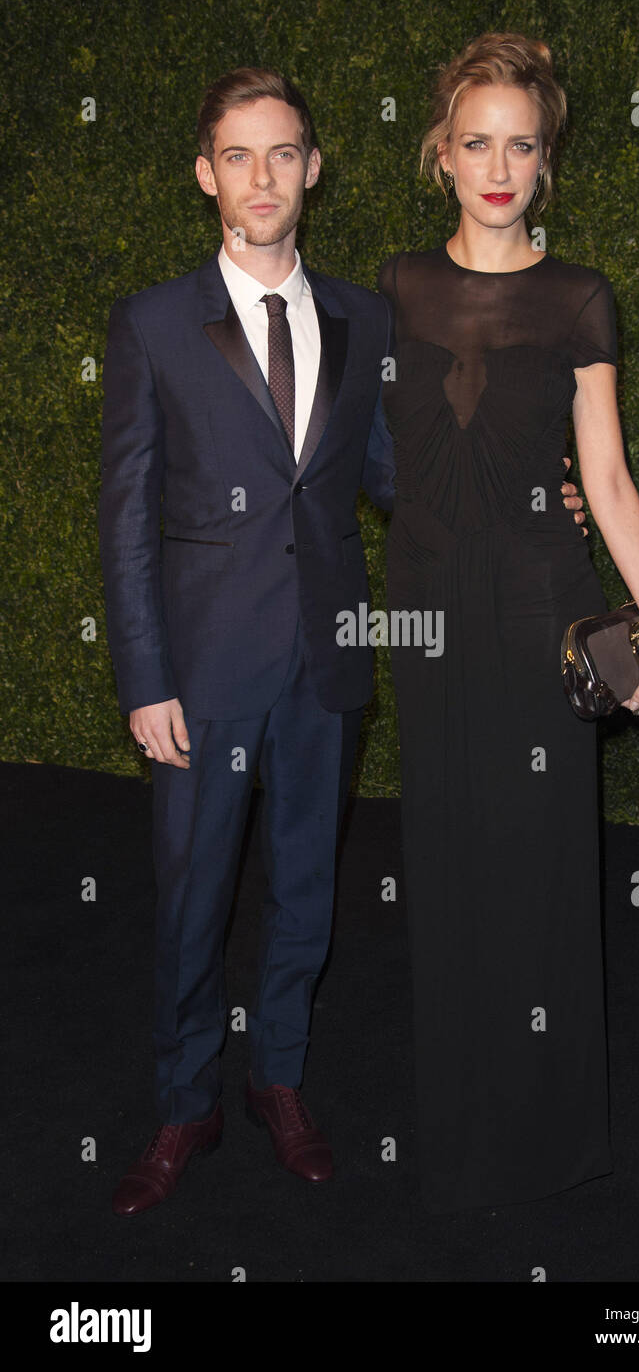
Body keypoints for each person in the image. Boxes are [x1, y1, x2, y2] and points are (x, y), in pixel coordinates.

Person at [98, 61, 601, 1217]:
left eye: (284, 154)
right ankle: (184, 1105)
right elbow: (122, 516)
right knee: (189, 897)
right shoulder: (154, 324)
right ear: (205, 174)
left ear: (314, 170)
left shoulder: (366, 314)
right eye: (238, 155)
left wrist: (544, 495)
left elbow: (402, 475)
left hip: (327, 669)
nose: (262, 176)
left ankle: (280, 1082)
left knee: (308, 893)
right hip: (201, 675)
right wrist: (145, 675)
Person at [377, 32, 639, 1214]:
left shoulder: (579, 297)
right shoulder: (397, 285)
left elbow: (604, 477)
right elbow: (363, 448)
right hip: (428, 611)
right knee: (447, 856)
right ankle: (459, 1125)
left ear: (545, 161)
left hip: (538, 603)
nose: (498, 165)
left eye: (523, 144)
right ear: (441, 153)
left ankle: (550, 1131)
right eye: (476, 141)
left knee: (543, 861)